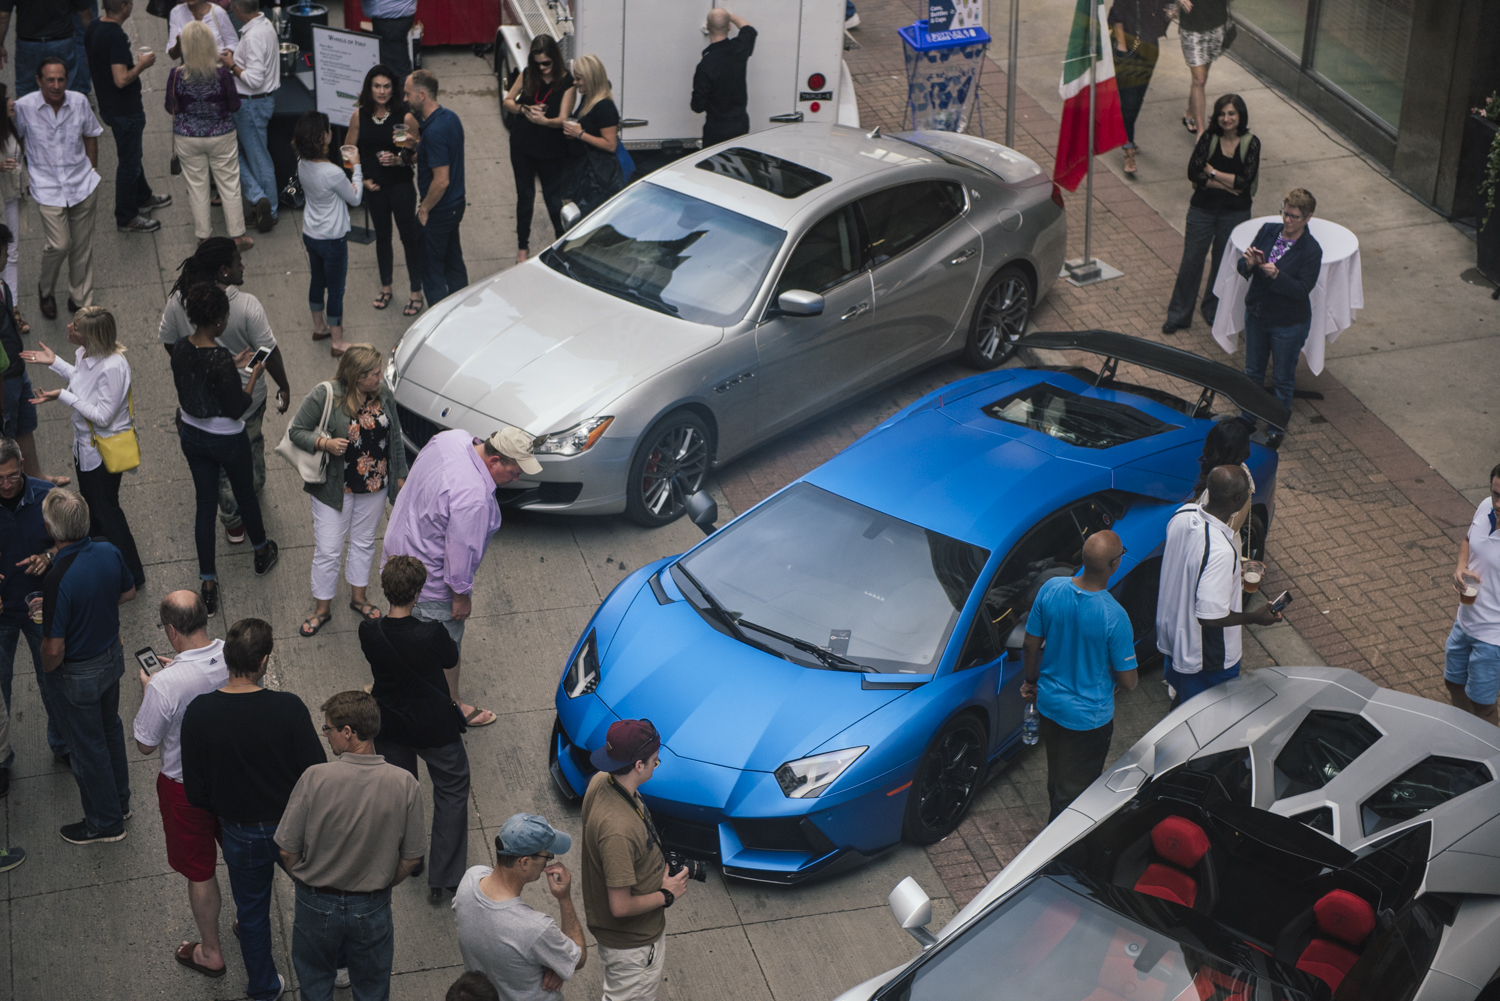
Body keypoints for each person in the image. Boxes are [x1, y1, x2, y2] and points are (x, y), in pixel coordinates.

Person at [182, 616, 326, 1001]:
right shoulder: (289, 708)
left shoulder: (199, 713)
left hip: (238, 832)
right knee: (320, 897)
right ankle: (337, 966)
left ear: (227, 659)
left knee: (252, 914)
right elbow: (317, 774)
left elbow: (195, 791)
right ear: (264, 661)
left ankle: (263, 987)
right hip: (292, 829)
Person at [382, 427, 543, 727]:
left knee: (402, 625)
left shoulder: (451, 438)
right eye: (514, 471)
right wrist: (461, 598)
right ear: (494, 460)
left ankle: (389, 684)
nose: (517, 478)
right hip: (428, 580)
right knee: (446, 644)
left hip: (398, 550)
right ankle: (452, 704)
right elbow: (460, 555)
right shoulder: (474, 497)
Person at [276, 690, 428, 1001]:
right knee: (372, 989)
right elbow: (412, 859)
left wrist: (305, 881)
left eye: (328, 728)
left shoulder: (315, 778)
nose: (326, 735)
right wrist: (381, 880)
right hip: (371, 906)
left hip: (315, 901)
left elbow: (287, 850)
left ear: (348, 732)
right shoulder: (405, 784)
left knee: (315, 983)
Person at [158, 238, 290, 545]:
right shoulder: (246, 305)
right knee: (250, 452)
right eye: (237, 261)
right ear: (223, 271)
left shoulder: (179, 300)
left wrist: (193, 368)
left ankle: (233, 525)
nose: (243, 265)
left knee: (216, 473)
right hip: (246, 404)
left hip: (201, 413)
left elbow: (169, 341)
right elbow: (265, 351)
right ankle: (241, 511)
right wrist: (277, 381)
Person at [132, 590, 230, 980]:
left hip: (184, 788)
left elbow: (144, 744)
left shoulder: (164, 685)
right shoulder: (231, 654)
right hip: (232, 777)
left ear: (171, 631)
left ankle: (210, 952)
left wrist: (149, 688)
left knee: (201, 871)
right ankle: (251, 920)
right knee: (240, 853)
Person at [171, 282, 280, 614]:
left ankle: (208, 584)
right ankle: (262, 552)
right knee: (244, 494)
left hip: (192, 434)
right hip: (226, 439)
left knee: (205, 506)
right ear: (217, 320)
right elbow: (237, 407)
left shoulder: (180, 347)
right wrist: (251, 374)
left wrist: (230, 365)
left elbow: (199, 378)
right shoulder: (217, 357)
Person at [362, 556, 467, 899]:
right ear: (419, 591)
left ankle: (411, 857)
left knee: (403, 795)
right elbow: (450, 659)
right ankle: (445, 879)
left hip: (390, 725)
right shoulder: (431, 633)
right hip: (435, 726)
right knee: (451, 790)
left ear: (386, 589)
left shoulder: (370, 631)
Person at [20, 307, 146, 588]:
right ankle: (106, 562)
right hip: (86, 449)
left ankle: (132, 575)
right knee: (98, 510)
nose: (68, 328)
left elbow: (103, 415)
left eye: (75, 328)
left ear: (91, 337)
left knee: (107, 512)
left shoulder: (114, 367)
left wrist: (63, 396)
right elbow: (82, 382)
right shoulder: (84, 354)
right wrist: (55, 363)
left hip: (102, 454)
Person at [39, 487, 136, 844]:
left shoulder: (58, 578)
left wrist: (49, 673)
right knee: (110, 729)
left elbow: (53, 647)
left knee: (87, 747)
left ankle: (105, 822)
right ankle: (120, 802)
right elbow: (128, 593)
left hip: (78, 674)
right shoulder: (108, 550)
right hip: (111, 658)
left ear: (52, 529)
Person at [1020, 531, 1139, 820]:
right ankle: (1057, 855)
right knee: (1075, 796)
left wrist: (1031, 681)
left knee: (1057, 777)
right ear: (1114, 566)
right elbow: (1129, 681)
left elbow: (1029, 644)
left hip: (1049, 706)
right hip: (1088, 721)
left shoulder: (1051, 589)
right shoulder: (1115, 617)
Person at [290, 345, 408, 636]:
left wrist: (400, 476)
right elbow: (297, 431)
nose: (380, 378)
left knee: (364, 542)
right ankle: (322, 609)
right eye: (376, 373)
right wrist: (325, 444)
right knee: (329, 549)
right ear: (358, 377)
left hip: (374, 486)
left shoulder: (384, 395)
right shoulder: (325, 394)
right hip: (335, 488)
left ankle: (359, 598)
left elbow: (396, 438)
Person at [580, 718, 689, 1001]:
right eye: (655, 760)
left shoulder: (601, 781)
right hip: (633, 946)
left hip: (627, 942)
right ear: (638, 765)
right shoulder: (618, 830)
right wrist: (667, 894)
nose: (657, 764)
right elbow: (620, 906)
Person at [1156, 466, 1281, 706]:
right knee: (1205, 717)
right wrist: (1255, 617)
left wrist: (1236, 571)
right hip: (1205, 658)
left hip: (1175, 639)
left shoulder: (1183, 515)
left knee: (1183, 703)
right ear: (1237, 500)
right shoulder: (1220, 551)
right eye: (1248, 493)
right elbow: (1210, 617)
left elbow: (1190, 564)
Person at [454, 813, 586, 1001]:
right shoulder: (536, 928)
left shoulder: (470, 879)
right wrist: (564, 898)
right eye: (546, 856)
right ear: (524, 862)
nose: (548, 860)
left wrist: (553, 957)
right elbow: (578, 958)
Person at [0, 436, 69, 784]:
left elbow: (74, 540)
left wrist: (49, 557)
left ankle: (63, 744)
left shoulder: (47, 496)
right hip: (1, 615)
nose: (6, 484)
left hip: (42, 610)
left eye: (11, 475)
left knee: (53, 680)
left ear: (23, 465)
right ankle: (0, 761)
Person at [14, 56, 102, 319]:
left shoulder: (79, 102)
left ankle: (80, 300)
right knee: (59, 244)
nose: (56, 85)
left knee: (81, 246)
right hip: (47, 188)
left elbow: (91, 136)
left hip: (82, 184)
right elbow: (15, 140)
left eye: (60, 79)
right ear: (39, 80)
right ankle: (46, 290)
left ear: (67, 79)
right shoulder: (23, 107)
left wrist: (92, 171)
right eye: (50, 80)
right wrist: (24, 175)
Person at [1162, 93, 1258, 334]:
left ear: (1240, 116)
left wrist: (1213, 173)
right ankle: (1178, 315)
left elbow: (1244, 182)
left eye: (1232, 113)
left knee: (1224, 264)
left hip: (1235, 214)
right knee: (1191, 261)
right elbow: (1194, 173)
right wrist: (1227, 182)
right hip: (1202, 211)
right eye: (1222, 113)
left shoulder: (1251, 143)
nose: (1226, 118)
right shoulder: (1209, 138)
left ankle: (1213, 310)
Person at [1236, 188, 1322, 449]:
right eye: (1286, 213)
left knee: (1283, 378)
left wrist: (1277, 275)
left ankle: (1276, 427)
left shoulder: (1311, 250)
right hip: (1258, 314)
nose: (1288, 221)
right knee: (1252, 372)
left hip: (1288, 323)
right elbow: (1242, 269)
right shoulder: (1268, 230)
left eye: (1295, 217)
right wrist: (1249, 263)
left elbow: (1301, 290)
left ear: (1308, 218)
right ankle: (1247, 418)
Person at [85, 0, 169, 234]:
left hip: (109, 106)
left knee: (132, 154)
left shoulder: (93, 26)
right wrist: (142, 65)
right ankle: (127, 216)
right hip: (125, 111)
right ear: (124, 6)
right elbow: (121, 79)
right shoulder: (116, 36)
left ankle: (143, 196)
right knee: (129, 164)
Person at [168, 20, 252, 250]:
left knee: (197, 187)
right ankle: (238, 237)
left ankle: (204, 237)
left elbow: (170, 107)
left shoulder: (176, 75)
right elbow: (234, 106)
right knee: (229, 184)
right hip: (221, 135)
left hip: (188, 136)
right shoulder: (223, 75)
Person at [348, 64, 423, 316]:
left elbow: (416, 154)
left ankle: (416, 291)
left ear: (394, 89)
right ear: (369, 88)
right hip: (375, 187)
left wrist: (400, 159)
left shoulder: (405, 117)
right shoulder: (359, 116)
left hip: (401, 185)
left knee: (409, 237)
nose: (382, 91)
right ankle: (386, 287)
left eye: (387, 86)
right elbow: (348, 153)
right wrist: (361, 180)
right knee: (382, 238)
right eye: (377, 86)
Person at [1, 225, 67, 487]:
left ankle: (37, 478)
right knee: (9, 437)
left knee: (25, 426)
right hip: (5, 380)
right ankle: (18, 488)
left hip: (17, 370)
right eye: (5, 251)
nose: (8, 257)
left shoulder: (3, 284)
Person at [295, 109, 362, 358]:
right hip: (333, 239)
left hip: (311, 233)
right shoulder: (332, 172)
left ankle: (319, 327)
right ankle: (337, 342)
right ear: (323, 137)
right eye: (328, 129)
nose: (331, 132)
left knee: (317, 280)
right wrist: (357, 168)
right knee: (336, 290)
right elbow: (355, 198)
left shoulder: (302, 164)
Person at [502, 37, 573, 264]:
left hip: (551, 149)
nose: (541, 68)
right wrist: (524, 109)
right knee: (525, 196)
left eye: (546, 63)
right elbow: (508, 101)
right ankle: (522, 249)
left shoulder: (566, 82)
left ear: (555, 60)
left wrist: (544, 121)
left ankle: (562, 246)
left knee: (553, 199)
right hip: (522, 145)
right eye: (537, 63)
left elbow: (563, 119)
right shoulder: (527, 74)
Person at [407, 69, 469, 302]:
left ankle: (437, 322)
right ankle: (461, 310)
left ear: (422, 95)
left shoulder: (433, 132)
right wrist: (418, 145)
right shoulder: (450, 118)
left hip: (439, 211)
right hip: (455, 206)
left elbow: (441, 180)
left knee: (432, 273)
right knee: (454, 263)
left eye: (408, 94)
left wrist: (424, 209)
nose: (405, 99)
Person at [1446, 465, 1500, 726]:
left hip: (1493, 638)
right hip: (1465, 621)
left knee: (1484, 705)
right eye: (1496, 494)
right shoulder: (1485, 508)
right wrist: (1460, 567)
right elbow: (1468, 540)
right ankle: (1465, 735)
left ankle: (1490, 757)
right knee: (1453, 681)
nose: (1498, 504)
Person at [222, 0, 278, 233]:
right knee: (241, 153)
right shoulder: (264, 25)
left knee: (251, 157)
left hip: (250, 105)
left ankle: (266, 207)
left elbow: (254, 79)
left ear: (237, 8)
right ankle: (260, 200)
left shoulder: (254, 36)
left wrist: (231, 65)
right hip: (257, 103)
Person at [1108, 0, 1167, 176]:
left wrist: (1169, 15)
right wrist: (1121, 46)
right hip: (1127, 45)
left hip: (1149, 47)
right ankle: (1128, 149)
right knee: (1129, 99)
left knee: (1138, 96)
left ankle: (1126, 133)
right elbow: (1117, 13)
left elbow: (1163, 17)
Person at [561, 54, 622, 219]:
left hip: (596, 178)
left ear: (591, 79)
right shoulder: (587, 98)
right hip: (582, 171)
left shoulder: (605, 107)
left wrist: (580, 134)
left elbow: (611, 145)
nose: (575, 82)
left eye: (579, 79)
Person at [0, 0, 93, 99]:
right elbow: (84, 12)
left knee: (26, 91)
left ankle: (26, 114)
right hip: (61, 40)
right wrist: (92, 41)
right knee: (68, 90)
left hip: (28, 42)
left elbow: (3, 16)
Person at [691, 8, 756, 148]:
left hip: (716, 129)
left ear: (707, 27)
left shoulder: (705, 66)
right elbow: (749, 30)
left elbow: (697, 106)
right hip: (740, 124)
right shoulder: (739, 50)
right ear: (729, 27)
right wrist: (729, 16)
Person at [1176, 0, 1230, 137]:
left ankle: (1190, 111)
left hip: (1217, 22)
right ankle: (1201, 132)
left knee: (1201, 77)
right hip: (1192, 24)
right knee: (1199, 79)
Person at [0, 86, 24, 332]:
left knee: (12, 252)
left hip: (11, 196)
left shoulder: (11, 125)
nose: (11, 101)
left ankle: (14, 307)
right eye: (6, 98)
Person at [363, 0, 415, 81]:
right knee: (391, 68)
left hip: (391, 20)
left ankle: (404, 92)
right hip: (394, 17)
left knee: (397, 71)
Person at [167, 0, 237, 59]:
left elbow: (233, 43)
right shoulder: (176, 12)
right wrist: (179, 44)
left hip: (219, 67)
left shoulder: (217, 11)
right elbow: (173, 55)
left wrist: (224, 58)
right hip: (191, 70)